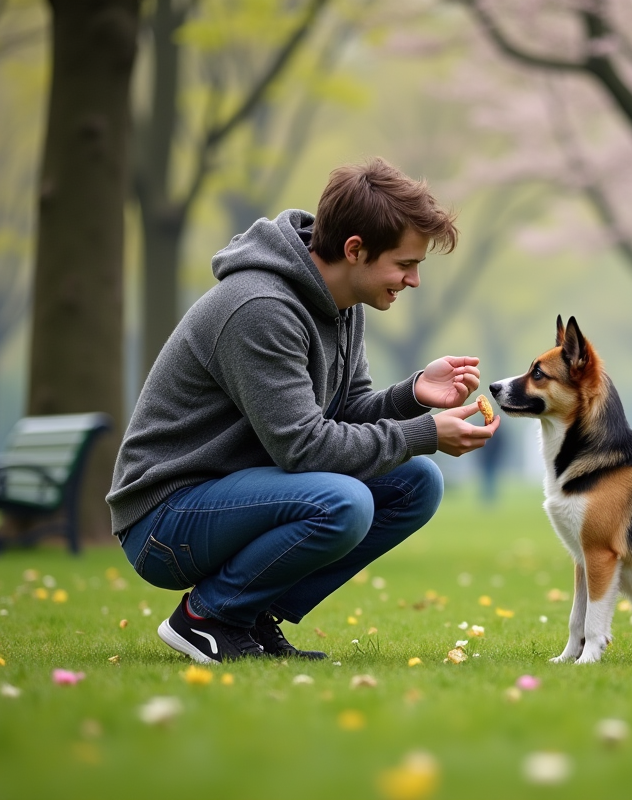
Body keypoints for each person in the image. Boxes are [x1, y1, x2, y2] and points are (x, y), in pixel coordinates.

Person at [107, 158, 500, 663]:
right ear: (354, 250)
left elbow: (348, 410)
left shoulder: (343, 303)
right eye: (405, 264)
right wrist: (423, 431)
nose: (414, 280)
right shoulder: (260, 307)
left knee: (416, 482)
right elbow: (304, 448)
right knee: (344, 502)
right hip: (165, 519)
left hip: (238, 492)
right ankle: (208, 619)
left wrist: (414, 394)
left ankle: (249, 616)